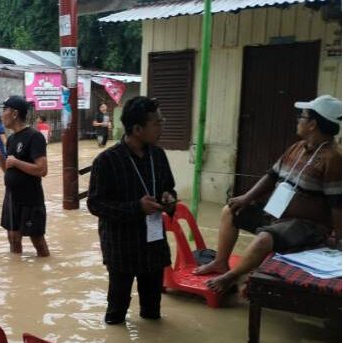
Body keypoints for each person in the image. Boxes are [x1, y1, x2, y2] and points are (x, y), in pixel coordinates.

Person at [194, 95, 342, 292]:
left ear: (313, 124)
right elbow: (271, 176)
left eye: (302, 116)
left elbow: (337, 204)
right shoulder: (297, 147)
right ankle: (220, 262)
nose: (298, 120)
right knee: (231, 211)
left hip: (306, 225)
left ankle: (231, 277)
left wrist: (338, 239)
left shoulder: (333, 158)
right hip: (276, 215)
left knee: (264, 239)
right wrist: (247, 198)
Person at [87, 96, 176, 325]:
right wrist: (136, 208)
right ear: (137, 129)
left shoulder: (158, 155)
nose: (161, 126)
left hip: (154, 243)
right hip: (121, 247)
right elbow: (95, 204)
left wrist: (169, 199)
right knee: (116, 313)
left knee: (152, 311)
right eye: (157, 122)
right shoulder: (106, 161)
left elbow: (169, 187)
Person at [0, 95, 50, 257]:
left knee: (38, 241)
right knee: (13, 238)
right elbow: (7, 168)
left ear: (14, 114)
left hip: (30, 198)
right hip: (11, 197)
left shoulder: (34, 136)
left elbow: (42, 170)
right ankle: (16, 276)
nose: (2, 115)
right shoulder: (12, 139)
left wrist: (16, 163)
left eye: (4, 110)